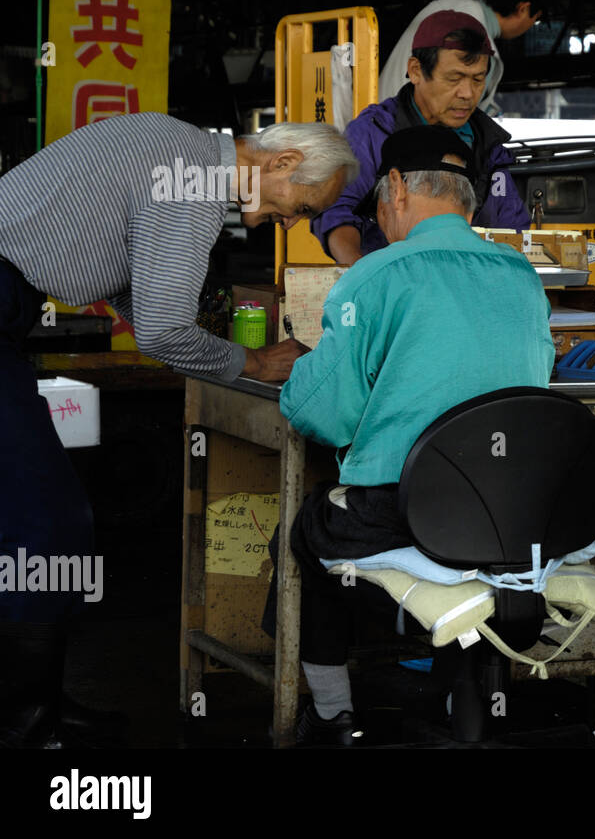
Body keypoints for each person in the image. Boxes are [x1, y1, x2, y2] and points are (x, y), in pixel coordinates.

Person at [0, 113, 357, 748]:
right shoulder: (192, 183)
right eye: (301, 205)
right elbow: (163, 331)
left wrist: (208, 346)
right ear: (279, 163)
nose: (294, 222)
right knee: (48, 522)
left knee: (37, 519)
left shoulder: (181, 151)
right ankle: (25, 719)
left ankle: (42, 703)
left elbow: (134, 294)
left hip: (9, 305)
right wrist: (251, 361)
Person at [269, 126, 554, 745]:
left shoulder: (374, 276)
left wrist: (305, 372)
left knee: (304, 529)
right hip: (512, 521)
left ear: (395, 187)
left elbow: (322, 415)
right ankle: (457, 693)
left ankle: (332, 714)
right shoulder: (522, 276)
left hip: (405, 515)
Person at [311, 11, 530, 267]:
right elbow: (335, 208)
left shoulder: (488, 146)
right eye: (454, 78)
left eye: (478, 79)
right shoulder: (375, 131)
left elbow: (513, 230)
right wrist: (360, 270)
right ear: (415, 71)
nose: (468, 94)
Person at [376, 0, 545, 110]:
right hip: (409, 144)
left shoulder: (445, 5)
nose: (467, 93)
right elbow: (459, 121)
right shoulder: (479, 44)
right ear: (523, 9)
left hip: (380, 125)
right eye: (535, 19)